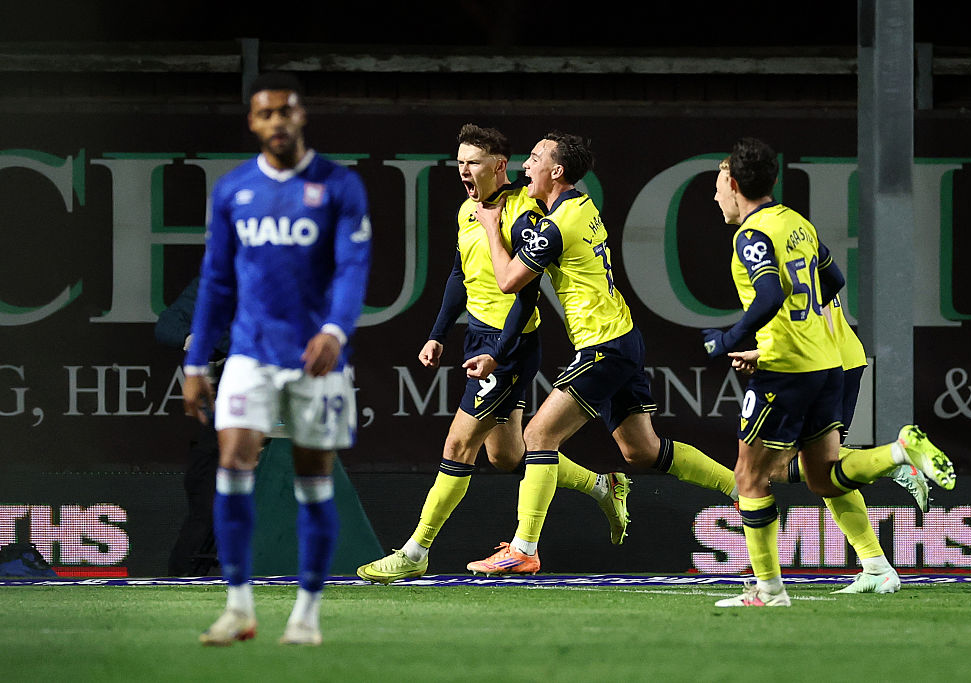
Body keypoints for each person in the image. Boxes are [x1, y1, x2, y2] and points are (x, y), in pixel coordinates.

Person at [356, 124, 630, 585]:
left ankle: (414, 551)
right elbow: (459, 275)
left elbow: (526, 294)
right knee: (507, 456)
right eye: (460, 161)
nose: (463, 170)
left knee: (458, 446)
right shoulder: (469, 211)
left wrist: (499, 354)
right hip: (479, 340)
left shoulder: (524, 213)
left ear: (499, 166)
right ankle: (602, 485)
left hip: (510, 344)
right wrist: (438, 333)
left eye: (474, 162)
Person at [464, 131, 738, 575]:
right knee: (642, 452)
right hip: (622, 337)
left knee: (537, 438)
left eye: (534, 159)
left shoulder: (558, 224)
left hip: (602, 346)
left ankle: (523, 547)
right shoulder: (580, 205)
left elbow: (508, 281)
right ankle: (743, 490)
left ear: (556, 171)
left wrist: (493, 229)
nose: (524, 167)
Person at [702, 137, 954, 607]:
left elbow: (772, 294)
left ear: (735, 184)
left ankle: (769, 591)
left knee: (750, 476)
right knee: (821, 475)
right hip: (826, 361)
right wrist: (789, 335)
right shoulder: (797, 222)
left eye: (718, 187)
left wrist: (732, 339)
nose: (716, 196)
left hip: (790, 369)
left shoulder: (751, 235)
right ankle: (897, 456)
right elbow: (832, 281)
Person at [183, 72, 372, 644]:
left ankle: (306, 613)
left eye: (286, 112)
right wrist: (195, 361)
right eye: (266, 114)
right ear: (254, 123)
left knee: (314, 480)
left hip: (317, 359)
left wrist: (337, 329)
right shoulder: (235, 190)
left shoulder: (338, 187)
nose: (277, 122)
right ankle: (239, 606)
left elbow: (351, 268)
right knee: (233, 465)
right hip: (250, 353)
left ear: (301, 117)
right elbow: (216, 280)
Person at [156, 275, 230, 577]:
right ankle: (180, 581)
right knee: (203, 492)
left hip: (279, 411)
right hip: (226, 417)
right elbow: (167, 326)